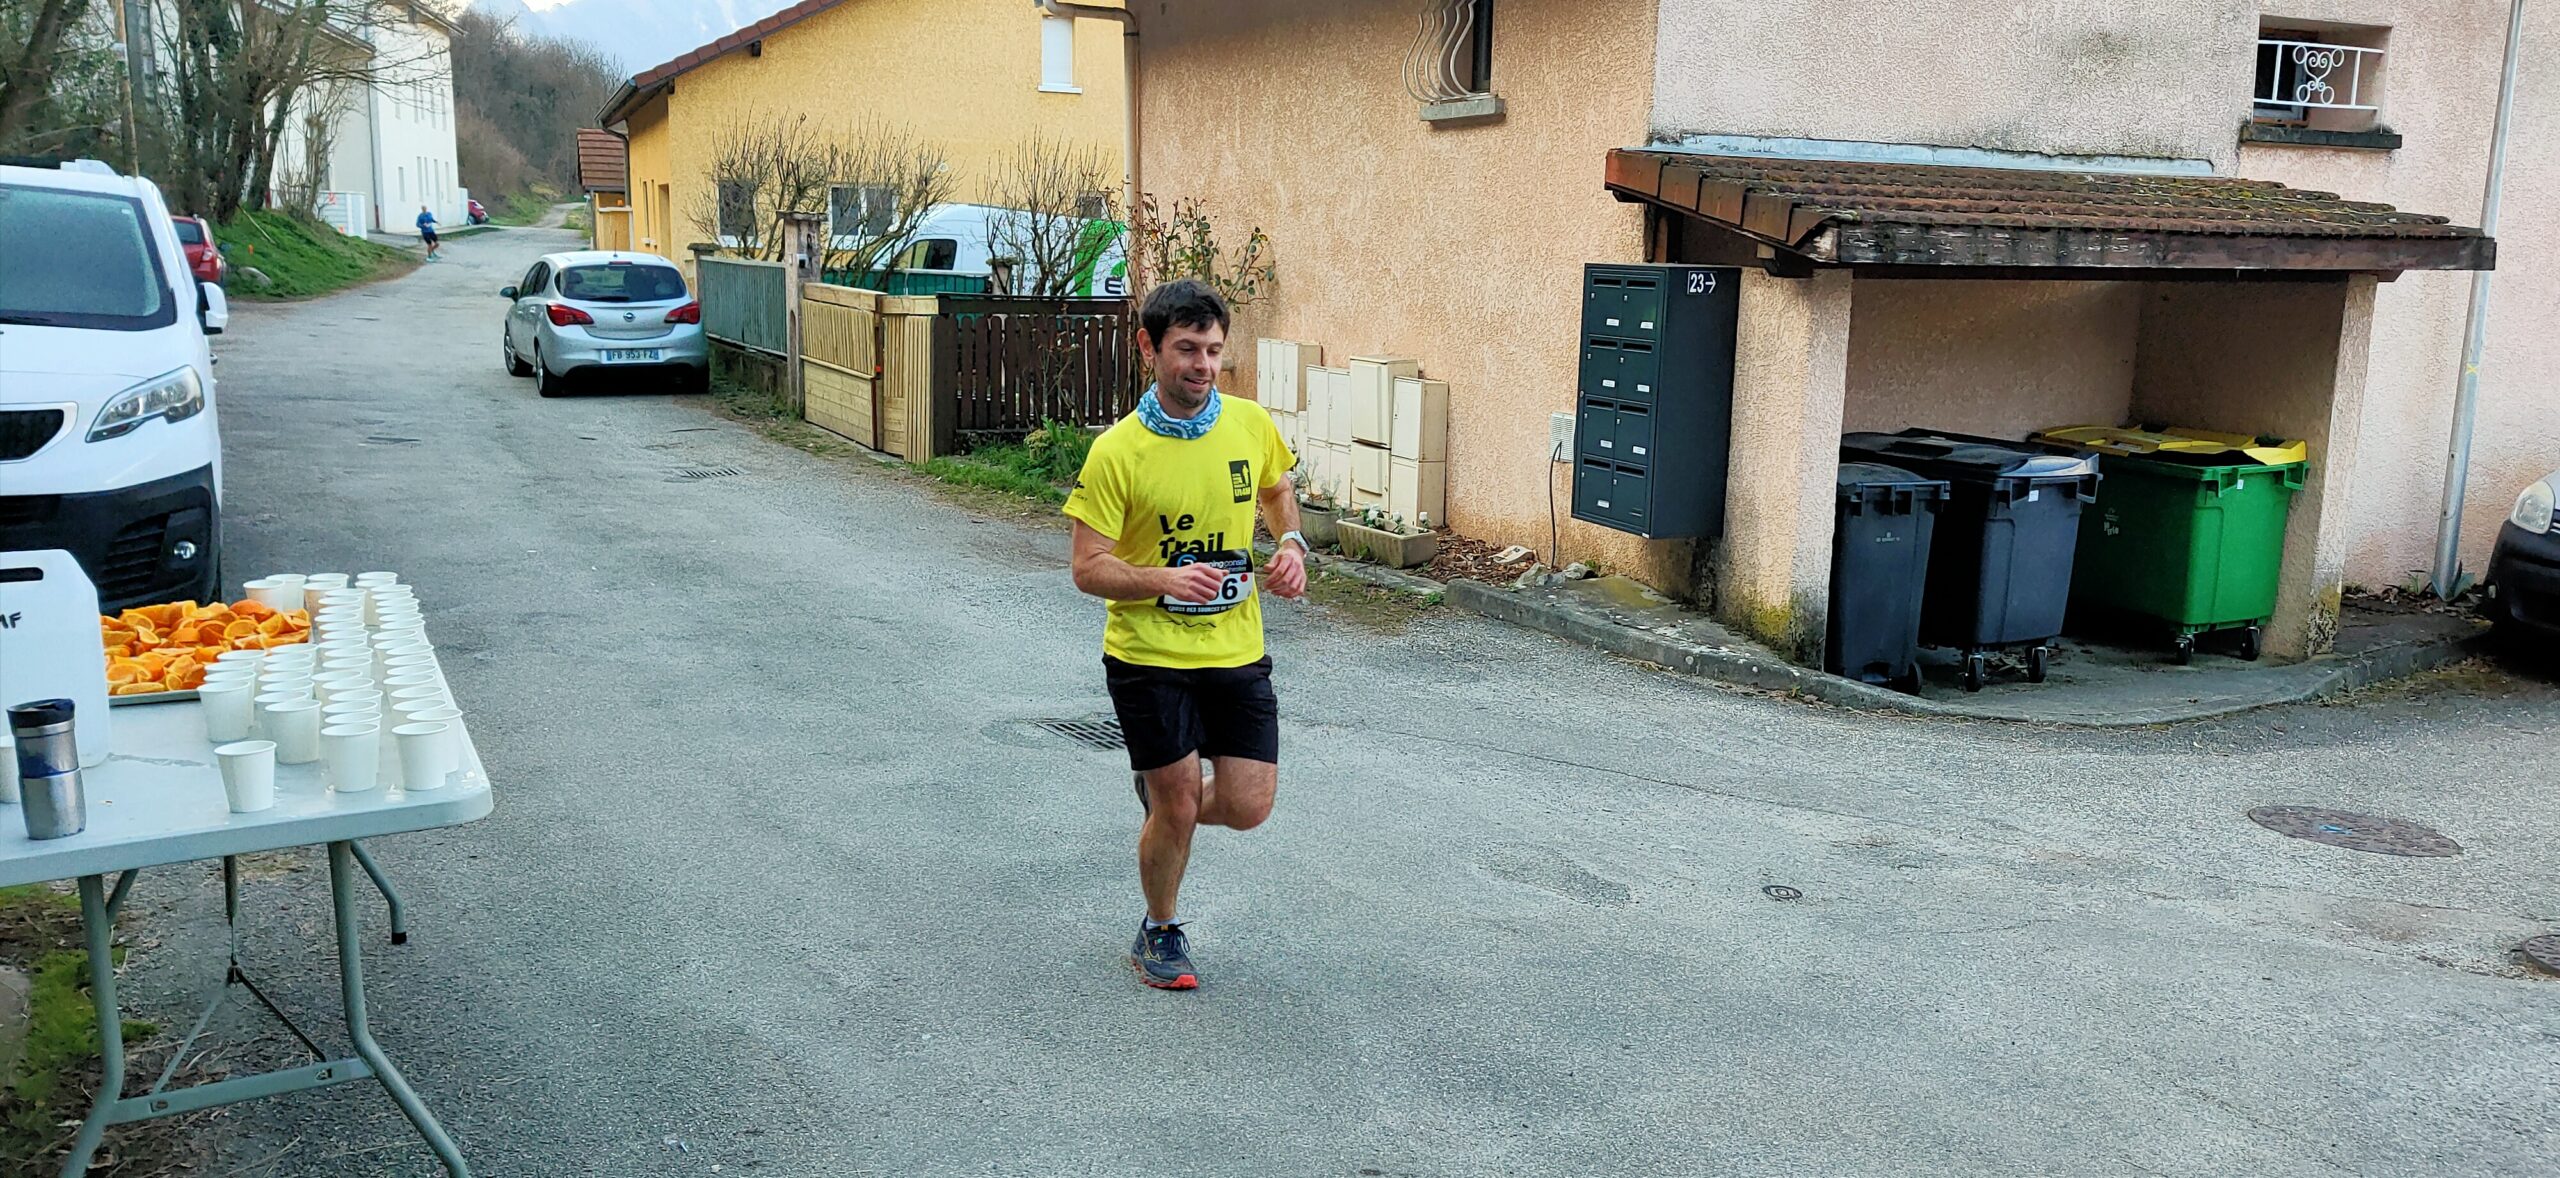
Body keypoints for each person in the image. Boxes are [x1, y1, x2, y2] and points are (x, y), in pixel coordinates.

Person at [1064, 278, 1308, 990]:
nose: (1203, 366)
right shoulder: (1118, 452)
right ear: (1149, 347)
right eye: (1187, 350)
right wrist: (1163, 579)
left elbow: (1277, 490)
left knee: (1249, 805)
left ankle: (1164, 802)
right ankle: (1160, 929)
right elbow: (1086, 568)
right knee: (1176, 803)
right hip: (1147, 654)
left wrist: (1291, 544)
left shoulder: (1249, 424)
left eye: (1213, 350)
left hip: (1236, 649)